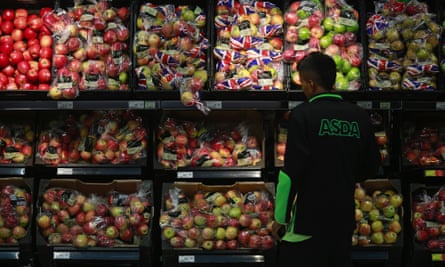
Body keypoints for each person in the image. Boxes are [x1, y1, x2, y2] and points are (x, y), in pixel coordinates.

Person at [273, 52, 381, 267]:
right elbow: (370, 167)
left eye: (303, 83)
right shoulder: (359, 116)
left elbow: (291, 173)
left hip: (308, 221)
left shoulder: (302, 115)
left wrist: (280, 218)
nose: (303, 88)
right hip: (343, 219)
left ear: (311, 84)